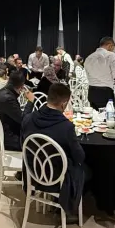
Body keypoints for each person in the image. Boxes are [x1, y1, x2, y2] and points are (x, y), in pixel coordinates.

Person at [21, 83, 86, 216]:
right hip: (56, 178)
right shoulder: (66, 127)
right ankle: (70, 208)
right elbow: (79, 157)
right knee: (84, 169)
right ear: (64, 103)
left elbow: (23, 144)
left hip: (33, 172)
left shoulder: (28, 118)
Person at [0, 71, 35, 150]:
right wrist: (30, 101)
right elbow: (23, 120)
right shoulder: (8, 98)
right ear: (22, 86)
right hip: (8, 139)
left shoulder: (2, 91)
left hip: (4, 132)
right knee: (37, 144)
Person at [84, 37, 115, 109]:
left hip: (91, 91)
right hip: (105, 91)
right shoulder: (111, 55)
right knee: (107, 114)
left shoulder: (89, 57)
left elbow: (87, 74)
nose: (113, 50)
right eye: (113, 48)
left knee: (94, 114)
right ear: (110, 45)